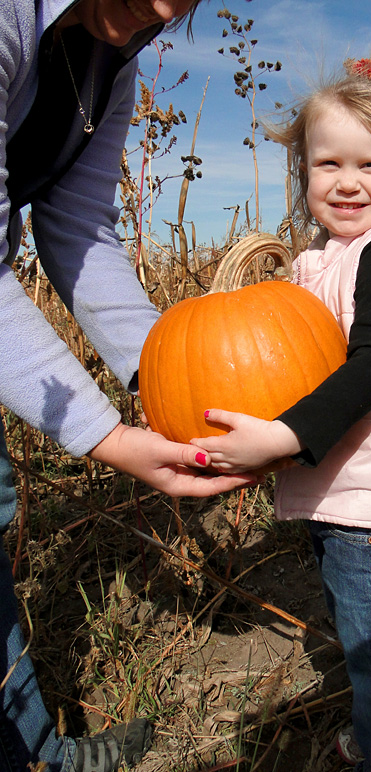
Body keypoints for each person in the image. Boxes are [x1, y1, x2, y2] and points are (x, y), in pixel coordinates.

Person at [0, 1, 258, 770]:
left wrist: (172, 377)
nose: (159, 8)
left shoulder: (111, 62)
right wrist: (107, 439)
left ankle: (31, 753)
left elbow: (78, 231)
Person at [194, 56, 371, 772]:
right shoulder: (327, 256)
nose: (347, 182)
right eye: (327, 164)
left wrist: (284, 436)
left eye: (370, 166)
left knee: (370, 643)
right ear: (304, 173)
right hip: (344, 485)